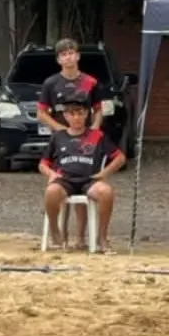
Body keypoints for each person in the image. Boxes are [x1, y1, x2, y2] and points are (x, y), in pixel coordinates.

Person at [38, 91, 125, 252]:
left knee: (106, 192)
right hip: (64, 180)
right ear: (65, 116)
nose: (76, 118)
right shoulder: (58, 137)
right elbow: (43, 163)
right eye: (72, 114)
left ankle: (102, 238)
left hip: (89, 179)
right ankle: (55, 231)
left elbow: (120, 157)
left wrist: (104, 174)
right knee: (51, 191)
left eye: (80, 113)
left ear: (87, 115)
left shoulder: (96, 135)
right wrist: (51, 174)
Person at [38, 38, 102, 246]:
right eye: (64, 54)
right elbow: (41, 113)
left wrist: (93, 131)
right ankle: (61, 234)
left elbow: (99, 111)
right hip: (62, 141)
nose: (68, 57)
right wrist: (61, 131)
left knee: (83, 182)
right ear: (58, 59)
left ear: (78, 56)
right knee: (61, 184)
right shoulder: (51, 83)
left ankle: (81, 237)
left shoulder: (90, 82)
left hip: (86, 140)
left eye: (71, 52)